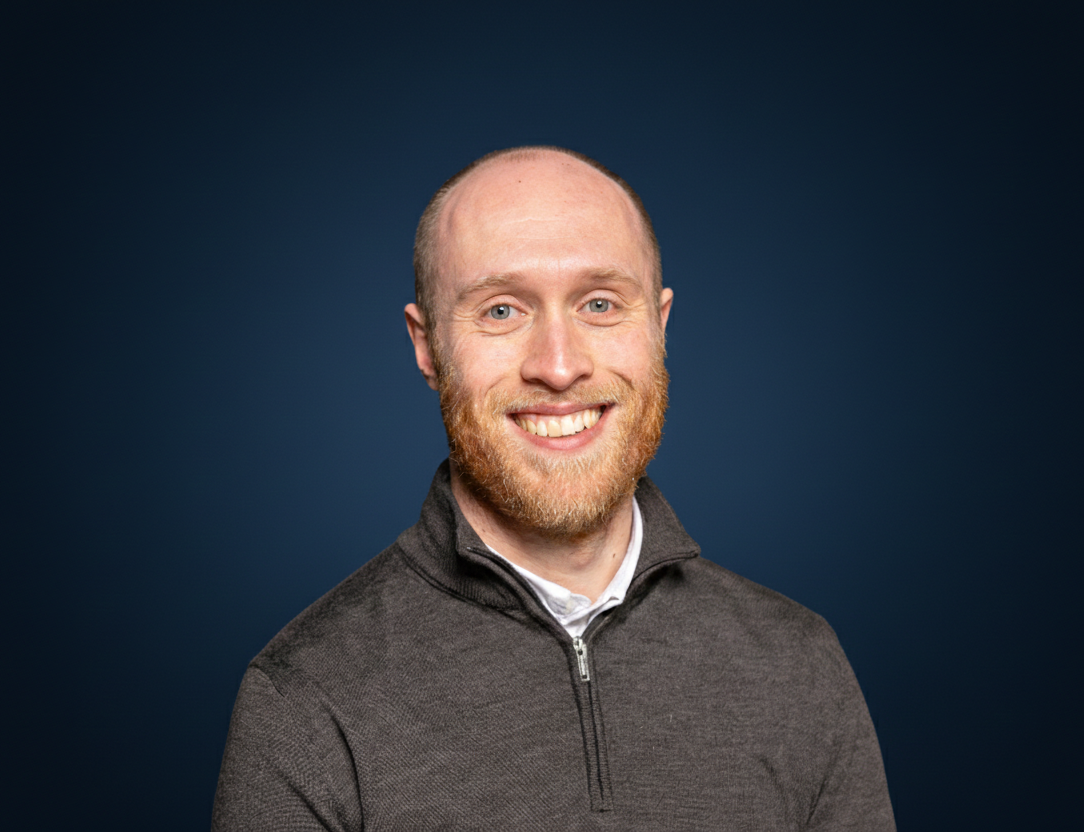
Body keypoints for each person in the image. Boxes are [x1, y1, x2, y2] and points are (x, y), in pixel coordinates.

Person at [212, 146, 896, 830]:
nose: (559, 367)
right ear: (427, 346)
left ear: (659, 327)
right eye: (502, 311)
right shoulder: (304, 702)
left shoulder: (799, 666)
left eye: (600, 303)